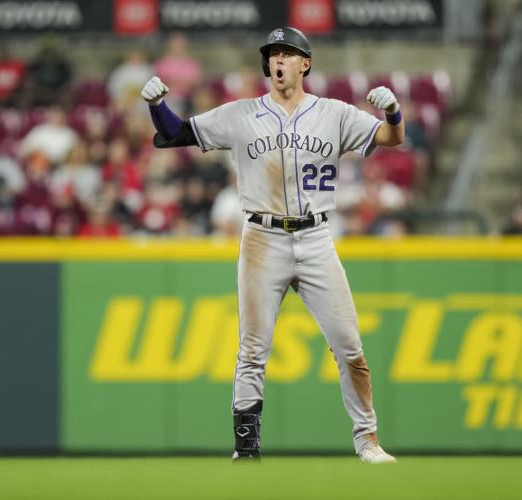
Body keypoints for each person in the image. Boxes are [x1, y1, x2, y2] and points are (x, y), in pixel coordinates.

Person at [141, 26, 404, 464]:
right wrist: (156, 106)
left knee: (349, 345)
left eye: (287, 53)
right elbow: (175, 133)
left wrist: (394, 113)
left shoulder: (335, 113)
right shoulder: (241, 113)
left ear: (305, 63)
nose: (278, 60)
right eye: (273, 54)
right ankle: (246, 449)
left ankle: (368, 442)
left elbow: (391, 139)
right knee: (253, 349)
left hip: (317, 235)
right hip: (262, 236)